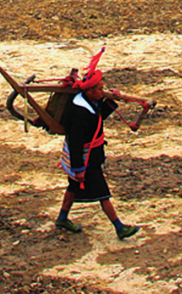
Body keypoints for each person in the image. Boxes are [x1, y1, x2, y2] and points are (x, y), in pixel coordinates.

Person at [55, 49, 139, 240]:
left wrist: (113, 99)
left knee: (72, 187)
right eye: (100, 89)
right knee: (103, 194)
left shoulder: (89, 103)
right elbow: (75, 142)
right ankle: (119, 227)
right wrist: (78, 168)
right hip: (86, 159)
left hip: (91, 154)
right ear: (89, 91)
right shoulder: (79, 112)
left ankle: (62, 218)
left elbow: (98, 117)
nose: (103, 91)